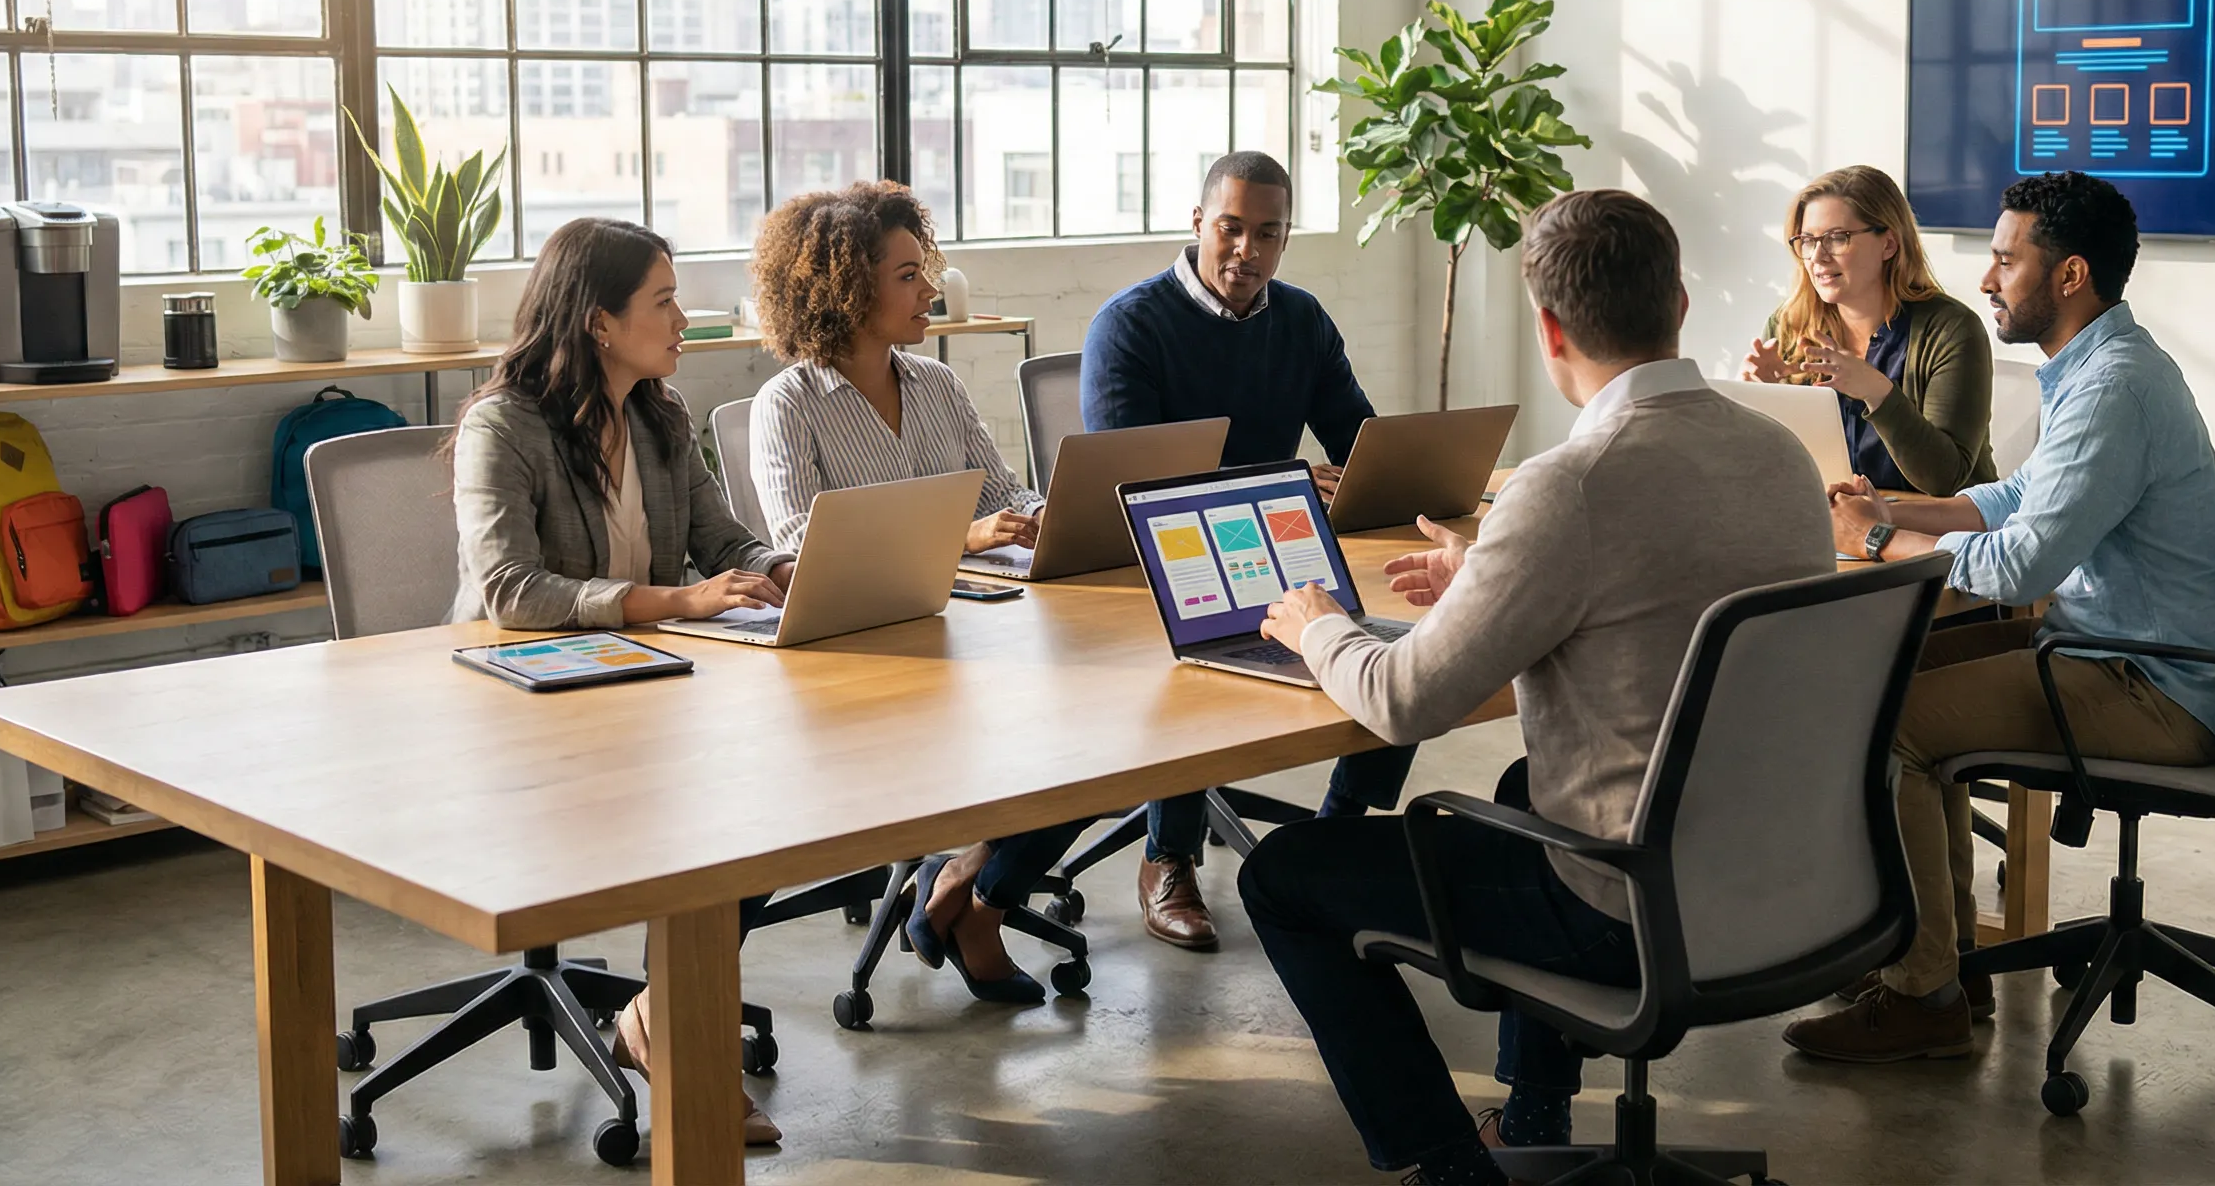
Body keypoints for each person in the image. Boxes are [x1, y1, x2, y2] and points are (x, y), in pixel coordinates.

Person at [1233, 189, 1835, 1186]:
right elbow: (1658, 599)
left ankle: (1446, 1169)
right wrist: (1494, 574)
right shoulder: (1777, 455)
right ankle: (1532, 1115)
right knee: (1520, 790)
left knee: (1285, 876)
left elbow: (1399, 703)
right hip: (1780, 874)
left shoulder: (1568, 484)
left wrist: (1317, 625)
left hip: (1630, 904)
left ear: (1549, 329)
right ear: (1678, 304)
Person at [1780, 170, 2215, 1064]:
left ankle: (1924, 998)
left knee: (1886, 729)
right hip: (2126, 651)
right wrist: (1892, 508)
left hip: (2154, 686)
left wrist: (1878, 545)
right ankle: (1945, 960)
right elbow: (2018, 497)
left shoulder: (2113, 387)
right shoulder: (2104, 366)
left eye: (2004, 259)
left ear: (2068, 276)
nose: (1988, 279)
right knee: (1899, 677)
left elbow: (2021, 564)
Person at [449, 216, 797, 1147]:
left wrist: (782, 566)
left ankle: (656, 1011)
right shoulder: (504, 426)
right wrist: (673, 602)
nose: (685, 318)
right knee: (708, 814)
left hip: (648, 690)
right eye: (665, 300)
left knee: (773, 803)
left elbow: (722, 541)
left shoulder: (659, 414)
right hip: (524, 706)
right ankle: (678, 1036)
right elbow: (512, 591)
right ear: (599, 321)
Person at [1076, 149, 1413, 953]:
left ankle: (1339, 834)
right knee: (1197, 647)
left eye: (1268, 234)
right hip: (1165, 564)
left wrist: (1357, 478)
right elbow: (1140, 487)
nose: (1247, 251)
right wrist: (1290, 482)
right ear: (1198, 223)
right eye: (1230, 228)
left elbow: (1356, 442)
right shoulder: (1130, 325)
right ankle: (1168, 855)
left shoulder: (1300, 320)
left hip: (1280, 554)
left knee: (1400, 644)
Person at [747, 181, 1043, 555]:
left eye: (923, 272)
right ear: (849, 289)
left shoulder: (939, 383)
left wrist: (1042, 514)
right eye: (907, 276)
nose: (929, 291)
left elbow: (1001, 494)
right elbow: (805, 545)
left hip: (969, 594)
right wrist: (957, 539)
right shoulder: (786, 405)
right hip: (866, 609)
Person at [1745, 164, 1996, 495]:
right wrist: (1758, 404)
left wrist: (1876, 391)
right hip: (1830, 531)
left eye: (1837, 238)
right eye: (1807, 240)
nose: (1817, 257)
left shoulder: (1950, 329)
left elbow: (1944, 479)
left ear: (1888, 245)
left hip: (1936, 535)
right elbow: (1766, 476)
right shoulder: (1788, 325)